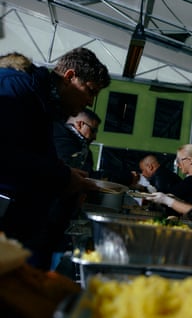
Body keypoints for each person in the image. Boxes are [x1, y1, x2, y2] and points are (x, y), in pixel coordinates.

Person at [0, 47, 110, 269]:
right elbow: (5, 155)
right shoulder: (16, 88)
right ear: (69, 77)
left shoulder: (42, 103)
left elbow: (29, 151)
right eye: (90, 91)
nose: (89, 102)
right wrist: (62, 177)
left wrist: (64, 172)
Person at [53, 108, 102, 175]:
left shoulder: (82, 146)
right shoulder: (62, 141)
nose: (95, 137)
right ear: (80, 124)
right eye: (93, 131)